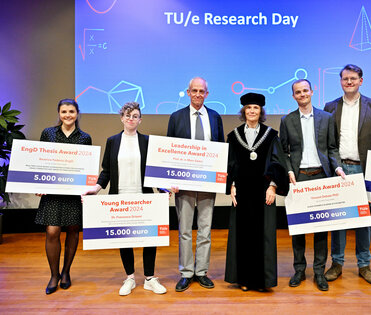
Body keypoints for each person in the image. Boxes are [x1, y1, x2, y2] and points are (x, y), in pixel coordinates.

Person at [84, 102, 167, 296]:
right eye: (128, 115)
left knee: (149, 237)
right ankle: (129, 277)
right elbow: (106, 171)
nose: (131, 119)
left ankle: (149, 278)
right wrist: (95, 189)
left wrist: (163, 187)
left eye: (135, 116)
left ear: (140, 119)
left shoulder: (147, 141)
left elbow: (153, 170)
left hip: (144, 196)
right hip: (120, 197)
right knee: (125, 238)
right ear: (122, 118)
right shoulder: (112, 141)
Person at [323, 64, 371, 285]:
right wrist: (334, 165)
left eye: (353, 78)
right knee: (338, 220)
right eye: (344, 79)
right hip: (339, 170)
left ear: (361, 80)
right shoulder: (330, 107)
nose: (348, 82)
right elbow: (326, 142)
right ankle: (337, 264)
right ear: (340, 82)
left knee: (363, 221)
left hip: (363, 169)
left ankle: (364, 265)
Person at [280, 79, 345, 291]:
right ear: (293, 96)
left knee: (320, 229)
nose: (302, 94)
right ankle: (299, 269)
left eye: (305, 91)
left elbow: (332, 148)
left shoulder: (326, 118)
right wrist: (289, 171)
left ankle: (319, 272)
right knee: (298, 229)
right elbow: (283, 151)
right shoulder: (287, 120)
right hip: (298, 178)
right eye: (297, 92)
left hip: (321, 177)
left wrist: (337, 168)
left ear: (312, 91)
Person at [225, 93, 289, 291]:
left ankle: (262, 281)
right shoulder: (234, 136)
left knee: (265, 235)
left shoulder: (270, 135)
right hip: (243, 191)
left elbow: (277, 163)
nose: (252, 111)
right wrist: (232, 186)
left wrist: (273, 186)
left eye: (256, 108)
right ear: (243, 111)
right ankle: (244, 279)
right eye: (249, 107)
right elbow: (231, 164)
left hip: (263, 192)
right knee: (242, 235)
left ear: (261, 111)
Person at [167, 77, 224, 292]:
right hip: (184, 183)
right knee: (184, 230)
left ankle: (201, 272)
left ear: (207, 94)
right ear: (188, 92)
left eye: (202, 91)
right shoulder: (176, 117)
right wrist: (171, 181)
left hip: (208, 183)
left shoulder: (215, 117)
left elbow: (220, 149)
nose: (198, 94)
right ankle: (186, 272)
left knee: (205, 229)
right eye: (194, 90)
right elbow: (170, 149)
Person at [35, 98, 92, 294]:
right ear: (59, 114)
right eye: (64, 112)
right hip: (53, 192)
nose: (68, 115)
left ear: (77, 113)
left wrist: (87, 188)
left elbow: (87, 168)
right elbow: (41, 161)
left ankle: (66, 272)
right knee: (52, 231)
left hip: (73, 193)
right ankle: (54, 275)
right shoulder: (48, 133)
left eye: (71, 111)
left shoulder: (85, 137)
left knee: (73, 230)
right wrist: (39, 184)